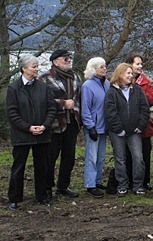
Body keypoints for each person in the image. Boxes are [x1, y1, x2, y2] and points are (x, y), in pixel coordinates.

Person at [6, 54, 56, 210]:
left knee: (42, 166)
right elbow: (12, 113)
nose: (37, 69)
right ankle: (14, 198)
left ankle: (42, 196)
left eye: (37, 66)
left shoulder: (43, 87)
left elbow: (51, 108)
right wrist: (28, 127)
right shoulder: (13, 88)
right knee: (18, 167)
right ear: (24, 68)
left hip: (42, 134)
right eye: (34, 66)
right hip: (22, 136)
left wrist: (44, 126)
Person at [39, 49, 82, 199]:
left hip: (72, 122)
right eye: (65, 59)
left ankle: (63, 186)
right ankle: (47, 187)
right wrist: (63, 103)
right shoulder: (45, 78)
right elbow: (42, 101)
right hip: (54, 124)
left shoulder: (75, 77)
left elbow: (79, 98)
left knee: (69, 157)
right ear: (55, 61)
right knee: (50, 157)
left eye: (69, 58)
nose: (69, 60)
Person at [105, 63, 149, 196]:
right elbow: (110, 112)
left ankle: (138, 185)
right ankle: (122, 185)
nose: (131, 76)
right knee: (120, 158)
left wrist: (140, 126)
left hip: (134, 131)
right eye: (128, 73)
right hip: (117, 132)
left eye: (131, 73)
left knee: (138, 158)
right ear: (120, 75)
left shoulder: (137, 90)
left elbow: (144, 108)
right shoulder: (112, 92)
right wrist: (119, 129)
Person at [124, 53, 153, 191]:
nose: (140, 66)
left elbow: (152, 98)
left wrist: (139, 99)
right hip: (127, 124)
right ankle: (129, 180)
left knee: (145, 154)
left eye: (141, 64)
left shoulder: (145, 81)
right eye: (137, 63)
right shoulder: (121, 81)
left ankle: (145, 180)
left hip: (144, 124)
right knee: (128, 154)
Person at [81, 57, 110, 198]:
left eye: (104, 66)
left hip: (104, 127)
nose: (104, 69)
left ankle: (98, 180)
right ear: (94, 69)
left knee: (101, 156)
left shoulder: (107, 84)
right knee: (91, 157)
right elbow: (85, 108)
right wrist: (90, 126)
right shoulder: (87, 86)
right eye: (101, 67)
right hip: (93, 127)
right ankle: (90, 183)